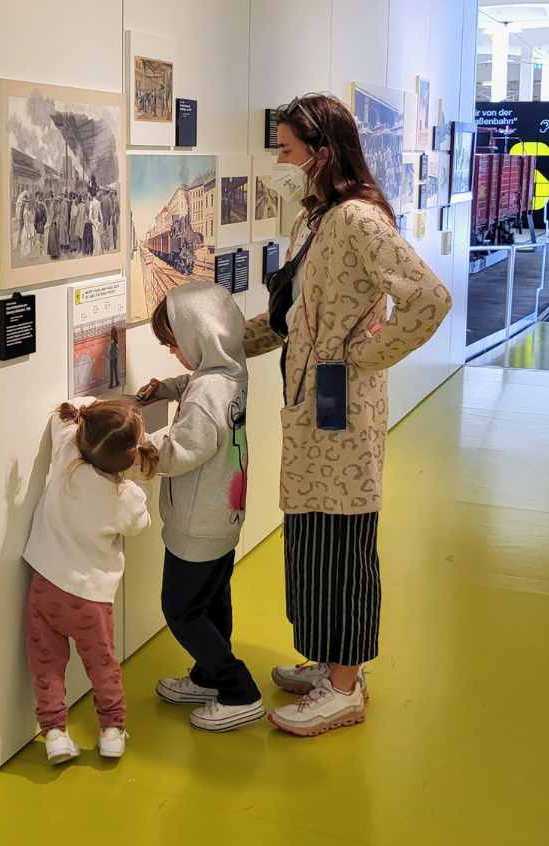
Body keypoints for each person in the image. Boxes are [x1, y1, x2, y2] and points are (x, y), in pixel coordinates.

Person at [245, 94, 452, 736]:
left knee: (344, 538)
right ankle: (330, 662)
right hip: (308, 405)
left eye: (286, 147)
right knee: (310, 533)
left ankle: (345, 685)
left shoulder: (359, 218)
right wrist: (219, 340)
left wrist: (363, 353)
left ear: (322, 150)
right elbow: (293, 317)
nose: (279, 158)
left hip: (342, 407)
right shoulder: (316, 219)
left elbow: (429, 298)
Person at [137, 283, 262, 733]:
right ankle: (209, 675)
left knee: (182, 610)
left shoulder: (208, 390)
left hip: (196, 522)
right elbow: (195, 386)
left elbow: (181, 450)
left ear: (199, 336)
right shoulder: (228, 372)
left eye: (174, 343)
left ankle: (237, 689)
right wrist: (168, 389)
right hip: (223, 517)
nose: (174, 353)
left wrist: (136, 449)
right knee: (211, 601)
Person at [23, 398, 157, 764]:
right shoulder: (125, 496)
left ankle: (54, 733)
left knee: (46, 663)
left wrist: (87, 409)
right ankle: (112, 731)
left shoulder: (67, 454)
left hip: (45, 586)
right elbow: (140, 525)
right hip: (89, 600)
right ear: (129, 457)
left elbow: (62, 416)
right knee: (101, 664)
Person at [89, 191, 103, 255]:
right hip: (98, 222)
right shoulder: (98, 203)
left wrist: (95, 225)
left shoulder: (91, 203)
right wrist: (100, 224)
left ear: (91, 196)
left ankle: (95, 253)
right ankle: (99, 253)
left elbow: (90, 217)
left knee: (95, 239)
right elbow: (101, 216)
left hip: (94, 222)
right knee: (98, 238)